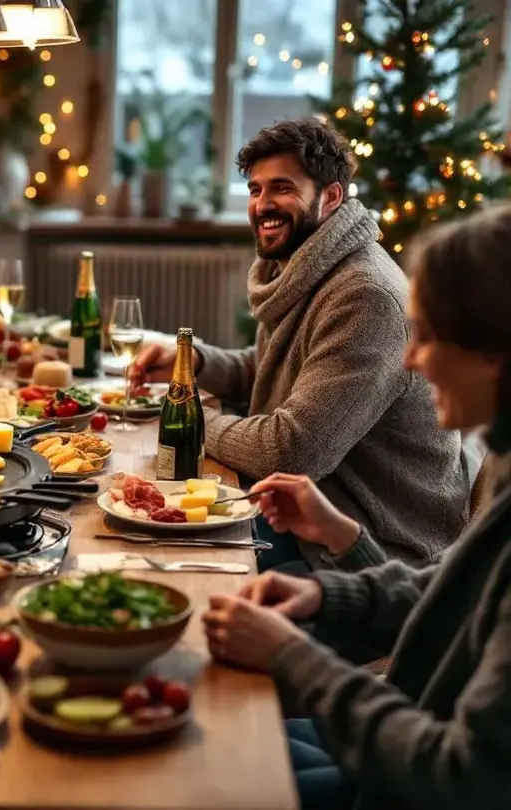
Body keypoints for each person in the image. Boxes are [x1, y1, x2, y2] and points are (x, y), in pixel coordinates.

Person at [202, 205, 511, 810]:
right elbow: (462, 594)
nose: (409, 361)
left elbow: (463, 777)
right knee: (205, 727)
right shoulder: (505, 457)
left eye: (425, 337)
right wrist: (332, 593)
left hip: (403, 778)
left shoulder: (367, 294)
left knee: (204, 766)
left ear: (491, 352)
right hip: (397, 729)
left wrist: (292, 658)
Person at [129, 117, 468, 572]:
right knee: (144, 520)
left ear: (330, 197)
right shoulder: (304, 265)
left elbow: (291, 452)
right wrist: (196, 362)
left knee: (167, 552)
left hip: (371, 549)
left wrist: (188, 419)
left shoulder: (365, 296)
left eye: (282, 188)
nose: (263, 205)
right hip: (306, 513)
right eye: (254, 190)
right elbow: (272, 365)